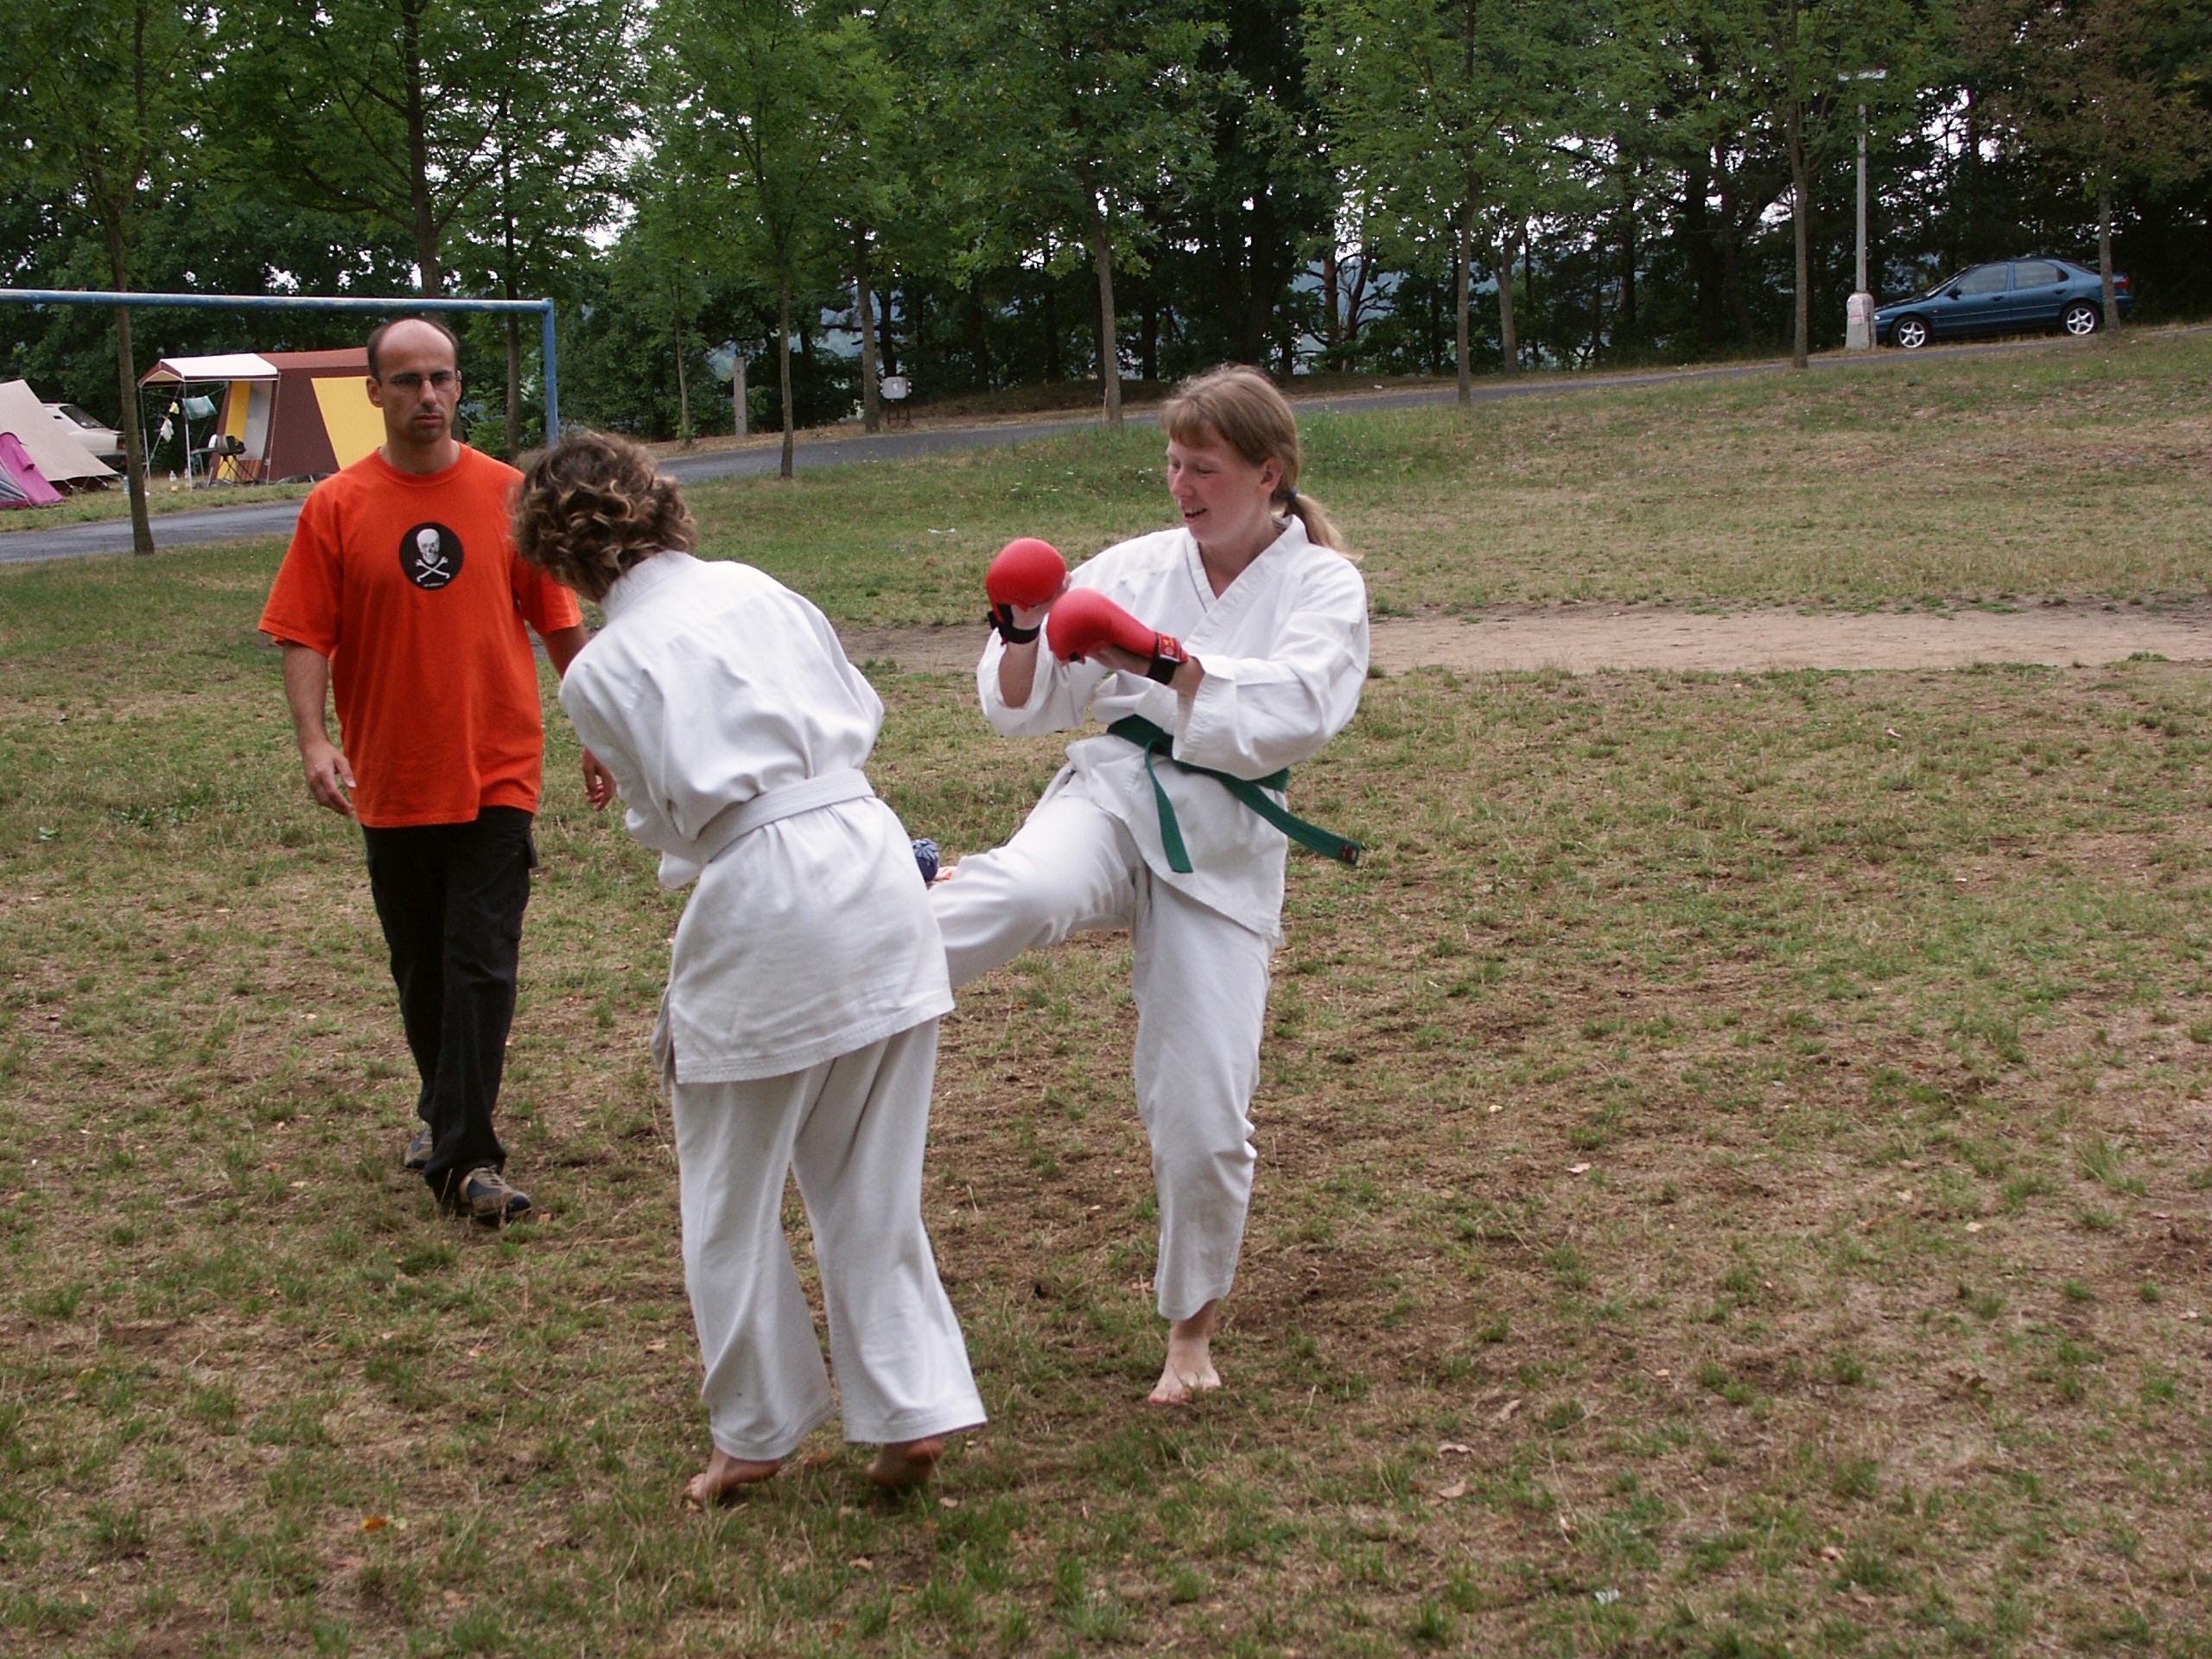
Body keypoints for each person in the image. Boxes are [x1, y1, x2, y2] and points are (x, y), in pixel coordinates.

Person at [519, 429, 982, 1498]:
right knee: (871, 1181)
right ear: (660, 505)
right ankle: (911, 1405)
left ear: (559, 556)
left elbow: (666, 822)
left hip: (766, 893)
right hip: (874, 863)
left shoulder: (603, 669)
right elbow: (859, 709)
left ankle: (755, 1427)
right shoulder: (762, 589)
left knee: (727, 1189)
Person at [933, 365, 1370, 1404]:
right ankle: (824, 948)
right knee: (1022, 893)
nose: (1181, 485)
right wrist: (1021, 627)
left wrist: (1162, 659)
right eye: (1173, 464)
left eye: (1203, 468)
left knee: (1206, 1117)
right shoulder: (1134, 563)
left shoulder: (1322, 585)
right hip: (1115, 795)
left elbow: (1297, 711)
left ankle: (1189, 1335)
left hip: (1223, 846)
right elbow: (1024, 707)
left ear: (1268, 475)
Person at [259, 316, 611, 1225]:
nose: (428, 395)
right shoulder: (336, 505)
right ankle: (443, 1113)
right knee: (421, 966)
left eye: (442, 378)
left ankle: (465, 1159)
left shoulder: (506, 496)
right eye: (409, 380)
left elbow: (560, 623)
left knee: (480, 961)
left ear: (458, 387)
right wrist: (314, 740)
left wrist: (600, 726)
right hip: (394, 773)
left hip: (497, 767)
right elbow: (303, 633)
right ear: (374, 392)